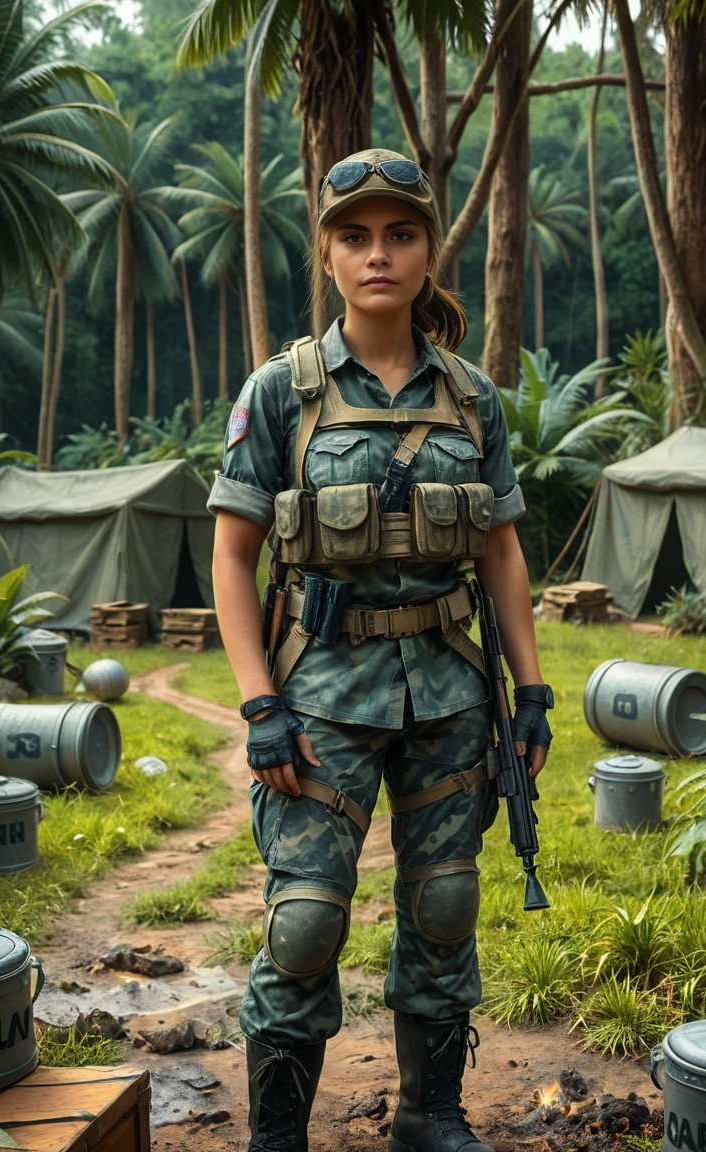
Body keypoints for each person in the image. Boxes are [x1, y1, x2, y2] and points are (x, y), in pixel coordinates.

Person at [208, 148, 553, 1152]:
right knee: (304, 927)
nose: (378, 254)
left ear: (425, 248)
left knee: (444, 906)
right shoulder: (280, 393)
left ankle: (428, 1117)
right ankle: (277, 1135)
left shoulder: (471, 398)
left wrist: (528, 692)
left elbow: (498, 548)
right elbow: (231, 558)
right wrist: (258, 703)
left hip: (448, 695)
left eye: (399, 234)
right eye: (354, 236)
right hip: (318, 700)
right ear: (324, 253)